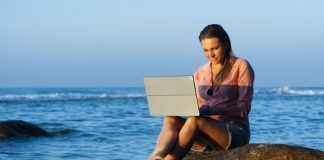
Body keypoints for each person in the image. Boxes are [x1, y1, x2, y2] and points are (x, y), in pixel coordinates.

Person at [148, 24, 254, 160]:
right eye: (206, 50)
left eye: (215, 48)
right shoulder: (200, 72)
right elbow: (198, 105)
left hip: (234, 131)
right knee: (170, 119)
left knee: (194, 121)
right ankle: (157, 155)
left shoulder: (241, 66)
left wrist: (213, 110)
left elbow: (243, 110)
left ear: (226, 44)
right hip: (203, 133)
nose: (211, 54)